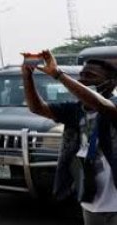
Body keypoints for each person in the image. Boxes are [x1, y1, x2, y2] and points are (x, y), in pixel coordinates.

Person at [23, 50, 117, 223]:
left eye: (90, 76)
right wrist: (27, 75)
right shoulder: (75, 110)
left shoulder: (112, 107)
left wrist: (58, 74)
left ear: (110, 84)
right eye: (81, 75)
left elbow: (100, 104)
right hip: (91, 203)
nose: (81, 80)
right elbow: (37, 108)